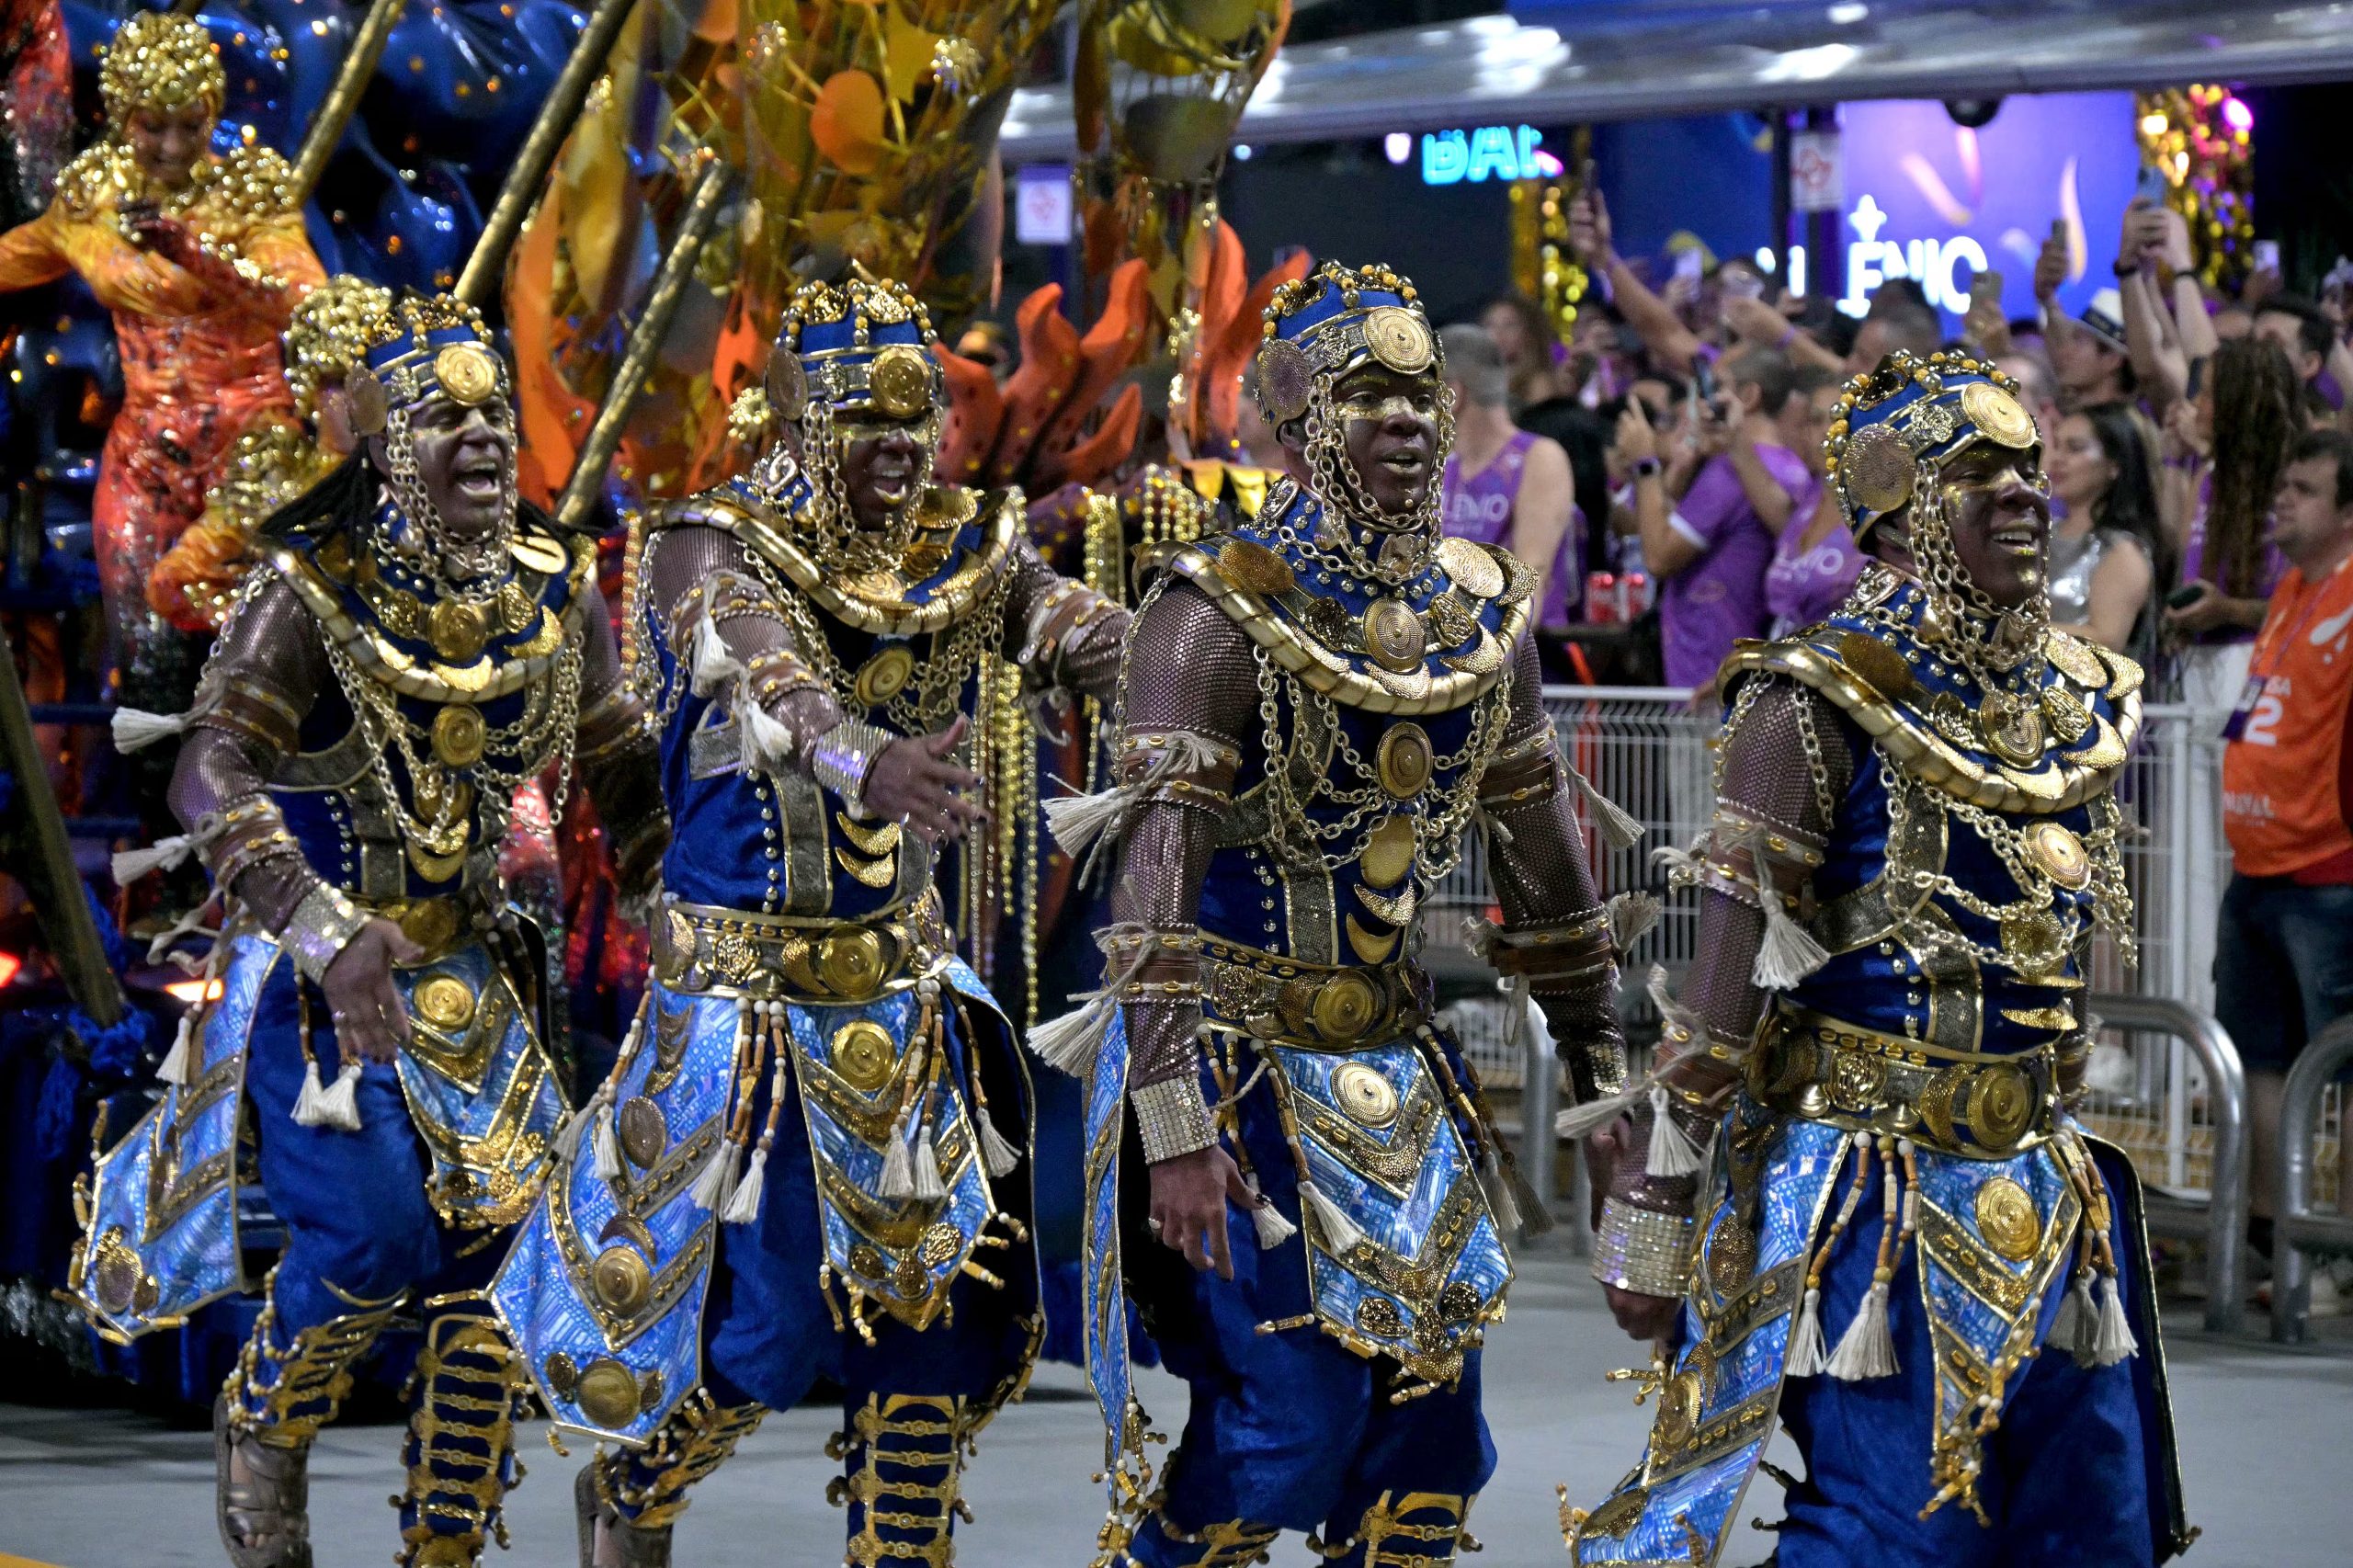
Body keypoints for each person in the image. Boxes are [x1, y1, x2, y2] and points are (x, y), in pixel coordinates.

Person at [497, 275, 1131, 1568]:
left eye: (921, 415)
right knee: (770, 1331)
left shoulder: (963, 546)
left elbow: (1085, 633)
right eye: (864, 416)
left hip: (902, 1008)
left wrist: (1224, 659)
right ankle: (633, 1489)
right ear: (795, 419)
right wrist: (866, 764)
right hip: (748, 1027)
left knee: (931, 1317)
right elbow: (770, 682)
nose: (901, 444)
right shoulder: (707, 544)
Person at [1566, 348, 2188, 1568]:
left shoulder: (2071, 694)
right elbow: (1724, 979)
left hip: (2050, 1191)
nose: (2025, 493)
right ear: (1901, 512)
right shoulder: (1813, 699)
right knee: (1890, 1539)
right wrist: (1656, 1205)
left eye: (2030, 469)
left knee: (2092, 1535)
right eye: (1983, 474)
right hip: (1872, 1202)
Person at [74, 294, 668, 1568]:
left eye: (494, 410)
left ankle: (443, 1539)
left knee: (507, 1273)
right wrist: (322, 924)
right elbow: (207, 769)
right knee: (372, 1238)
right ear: (385, 440)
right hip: (315, 979)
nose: (479, 436)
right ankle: (265, 1417)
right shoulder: (309, 588)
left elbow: (621, 767)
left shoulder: (554, 587)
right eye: (442, 413)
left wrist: (674, 896)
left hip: (474, 976)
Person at [1049, 259, 1625, 1566]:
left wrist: (1604, 1100)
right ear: (1304, 417)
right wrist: (1176, 1127)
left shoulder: (1482, 621)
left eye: (1423, 393)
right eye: (1370, 394)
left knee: (1430, 1438)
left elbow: (1552, 883)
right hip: (1235, 1075)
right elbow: (1147, 907)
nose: (1408, 420)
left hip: (1399, 1072)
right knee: (1285, 1423)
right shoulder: (1213, 616)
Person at [0, 10, 324, 699]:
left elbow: (303, 300)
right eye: (153, 124)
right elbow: (16, 257)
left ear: (213, 110)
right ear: (122, 117)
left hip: (252, 451)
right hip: (144, 458)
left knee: (234, 652)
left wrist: (197, 254)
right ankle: (161, 798)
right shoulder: (92, 200)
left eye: (190, 121)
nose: (174, 145)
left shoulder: (249, 192)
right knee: (145, 671)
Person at [2215, 429, 2353, 1291]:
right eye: (2283, 484)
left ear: (2347, 510)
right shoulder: (2290, 589)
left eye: (2304, 489)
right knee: (2256, 1056)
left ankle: (2340, 1248)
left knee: (2343, 1064)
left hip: (2328, 873)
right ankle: (2273, 1240)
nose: (2282, 500)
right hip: (2255, 864)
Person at [147, 275, 395, 631]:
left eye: (372, 382)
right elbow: (172, 580)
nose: (357, 401)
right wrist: (265, 624)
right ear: (308, 388)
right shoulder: (275, 471)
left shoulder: (415, 474)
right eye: (338, 382)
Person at [1617, 345, 1812, 702]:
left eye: (1714, 387)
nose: (1700, 405)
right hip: (1750, 673)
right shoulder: (1789, 466)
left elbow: (1658, 558)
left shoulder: (1729, 474)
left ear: (1748, 396)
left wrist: (1645, 464)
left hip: (1708, 677)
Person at [2162, 335, 2298, 710]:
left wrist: (2228, 610)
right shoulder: (2207, 476)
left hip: (2259, 663)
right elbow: (2182, 567)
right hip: (2193, 665)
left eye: (2208, 396)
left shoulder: (2291, 486)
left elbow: (2314, 605)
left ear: (2239, 406)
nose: (2197, 406)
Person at [1439, 321, 1581, 627]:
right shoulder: (1441, 466)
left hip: (1523, 658)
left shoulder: (1539, 458)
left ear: (1452, 394)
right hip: (1443, 649)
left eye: (1425, 394)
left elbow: (1531, 586)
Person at [2045, 405, 2163, 660]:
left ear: (2114, 465)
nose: (2058, 458)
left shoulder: (2122, 551)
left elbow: (2107, 640)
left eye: (2075, 448)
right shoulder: (2042, 535)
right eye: (2057, 445)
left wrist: (2019, 634)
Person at [1762, 366, 1863, 637]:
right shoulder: (1806, 499)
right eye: (1815, 420)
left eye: (1836, 419)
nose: (1824, 432)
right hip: (1783, 665)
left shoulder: (1880, 512)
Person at [1480, 290, 1573, 409]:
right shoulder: (1482, 380)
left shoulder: (1539, 384)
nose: (1497, 335)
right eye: (1490, 325)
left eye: (1509, 325)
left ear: (1529, 333)